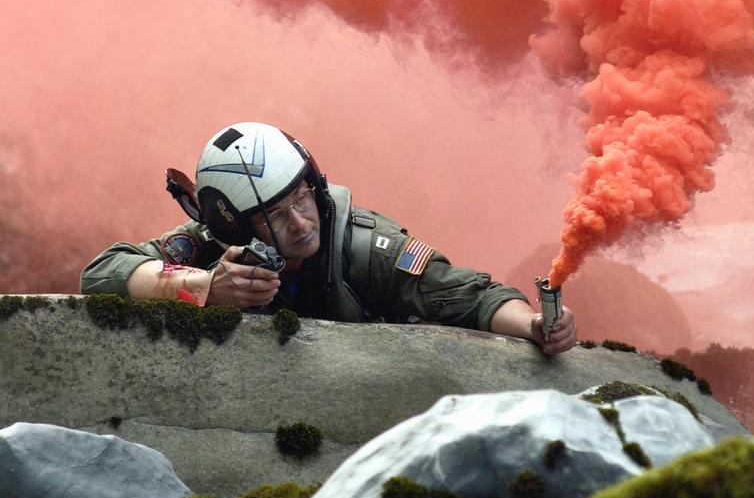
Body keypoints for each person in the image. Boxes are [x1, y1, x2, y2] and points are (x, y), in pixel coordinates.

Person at [81, 122, 576, 354]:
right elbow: (102, 272)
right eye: (275, 214)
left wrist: (534, 326)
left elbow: (470, 297)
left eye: (302, 198)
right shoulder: (213, 247)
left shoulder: (365, 247)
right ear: (232, 225)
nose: (300, 222)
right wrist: (202, 287)